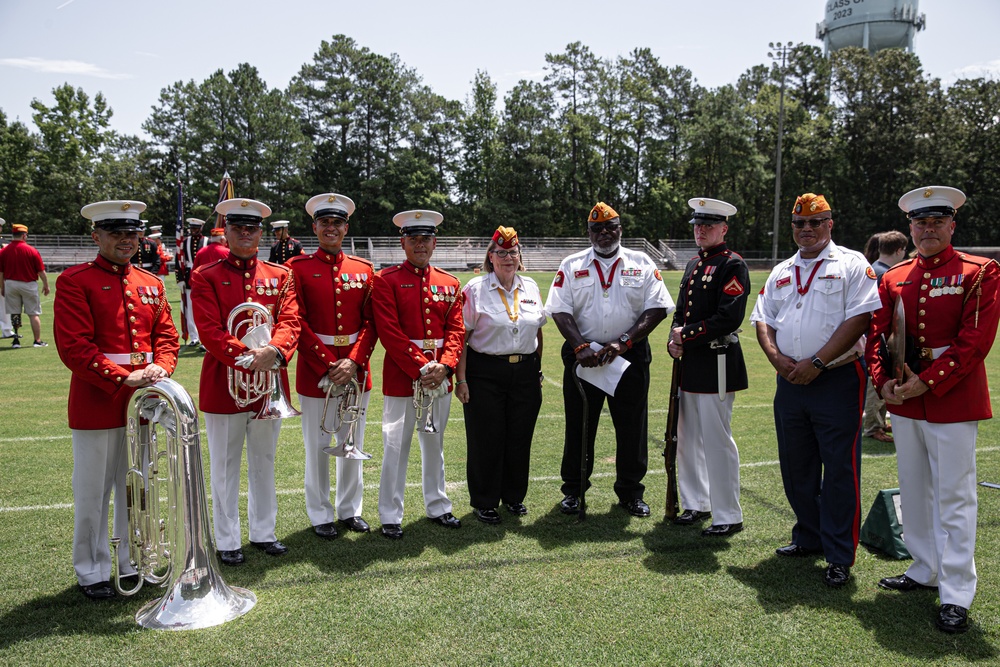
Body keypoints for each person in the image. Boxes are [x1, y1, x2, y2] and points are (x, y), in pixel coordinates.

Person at [866, 186, 1000, 634]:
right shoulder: (894, 276)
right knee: (914, 486)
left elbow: (974, 341)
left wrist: (927, 380)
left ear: (951, 225)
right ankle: (924, 568)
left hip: (951, 396)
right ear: (910, 228)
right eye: (920, 223)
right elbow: (878, 335)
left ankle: (957, 592)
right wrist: (883, 382)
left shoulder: (979, 271)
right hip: (905, 397)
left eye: (936, 222)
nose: (928, 229)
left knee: (956, 496)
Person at [750, 192, 880, 588]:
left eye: (814, 222)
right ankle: (808, 536)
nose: (806, 229)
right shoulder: (781, 270)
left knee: (840, 469)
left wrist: (818, 361)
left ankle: (839, 553)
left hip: (836, 378)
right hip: (789, 380)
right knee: (796, 466)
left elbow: (860, 318)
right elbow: (763, 319)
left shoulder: (852, 264)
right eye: (799, 223)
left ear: (830, 224)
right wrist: (776, 358)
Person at [53, 199, 180, 599]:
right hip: (98, 400)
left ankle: (133, 560)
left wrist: (160, 368)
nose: (127, 240)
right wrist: (125, 377)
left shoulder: (151, 282)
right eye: (116, 233)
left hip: (143, 401)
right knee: (93, 491)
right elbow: (75, 347)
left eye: (132, 233)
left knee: (137, 487)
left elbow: (168, 338)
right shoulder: (75, 281)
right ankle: (91, 570)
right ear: (97, 236)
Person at [190, 198, 301, 565]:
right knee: (224, 465)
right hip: (225, 384)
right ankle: (227, 540)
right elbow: (208, 330)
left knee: (264, 460)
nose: (245, 234)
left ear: (260, 232)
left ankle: (264, 533)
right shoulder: (205, 275)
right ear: (227, 230)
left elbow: (290, 322)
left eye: (251, 228)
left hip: (269, 384)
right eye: (238, 228)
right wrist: (251, 356)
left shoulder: (280, 275)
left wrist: (276, 351)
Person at [544, 201, 673, 518]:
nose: (604, 233)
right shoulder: (572, 264)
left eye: (609, 227)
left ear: (620, 229)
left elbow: (656, 307)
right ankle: (573, 491)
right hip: (583, 358)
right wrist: (579, 345)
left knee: (632, 427)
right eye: (596, 228)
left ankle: (630, 493)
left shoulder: (640, 262)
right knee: (579, 426)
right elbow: (559, 309)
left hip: (628, 356)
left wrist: (624, 341)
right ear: (588, 233)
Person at [289, 193, 378, 538]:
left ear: (345, 228)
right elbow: (297, 321)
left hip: (356, 372)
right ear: (315, 227)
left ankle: (350, 509)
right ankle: (320, 513)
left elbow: (371, 323)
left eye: (337, 222)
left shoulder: (363, 269)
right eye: (325, 222)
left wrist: (353, 362)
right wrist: (329, 364)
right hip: (317, 372)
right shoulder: (297, 269)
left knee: (352, 440)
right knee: (318, 445)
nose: (331, 228)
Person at [372, 209, 464, 539]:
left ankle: (438, 504)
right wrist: (422, 368)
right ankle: (390, 514)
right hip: (403, 377)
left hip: (440, 377)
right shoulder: (385, 280)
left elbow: (456, 330)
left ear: (435, 242)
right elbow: (390, 332)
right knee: (395, 446)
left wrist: (446, 365)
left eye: (426, 239)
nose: (420, 245)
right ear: (403, 242)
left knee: (434, 443)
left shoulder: (450, 283)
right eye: (414, 239)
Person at [667, 198, 750, 537]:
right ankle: (696, 503)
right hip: (692, 364)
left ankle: (728, 514)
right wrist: (674, 339)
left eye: (709, 225)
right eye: (698, 225)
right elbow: (680, 310)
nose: (701, 230)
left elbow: (729, 317)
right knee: (686, 439)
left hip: (717, 362)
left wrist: (685, 335)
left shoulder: (733, 265)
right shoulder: (693, 265)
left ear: (724, 228)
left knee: (717, 441)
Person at [455, 226, 546, 524]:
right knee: (487, 437)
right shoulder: (475, 289)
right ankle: (485, 500)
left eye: (513, 252)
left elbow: (538, 331)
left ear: (520, 256)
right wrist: (463, 380)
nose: (508, 258)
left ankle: (514, 497)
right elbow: (462, 338)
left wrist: (537, 369)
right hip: (486, 372)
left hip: (525, 372)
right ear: (490, 257)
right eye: (501, 253)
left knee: (520, 437)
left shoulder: (531, 286)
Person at [862, 230, 909, 443]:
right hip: (877, 336)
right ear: (899, 250)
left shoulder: (875, 268)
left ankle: (877, 421)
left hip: (873, 335)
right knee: (876, 384)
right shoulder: (883, 273)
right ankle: (872, 426)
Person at [0, 222, 50, 348]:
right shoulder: (31, 250)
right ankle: (37, 341)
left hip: (10, 283)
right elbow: (41, 271)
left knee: (15, 313)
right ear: (24, 235)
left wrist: (2, 287)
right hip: (28, 284)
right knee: (33, 314)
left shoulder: (4, 251)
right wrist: (46, 285)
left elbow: (1, 272)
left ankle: (16, 340)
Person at [177, 217, 208, 346]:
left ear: (200, 228)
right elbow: (179, 261)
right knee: (189, 308)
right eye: (192, 228)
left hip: (203, 276)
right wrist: (180, 279)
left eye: (196, 228)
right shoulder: (184, 242)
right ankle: (194, 336)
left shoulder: (207, 241)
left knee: (204, 308)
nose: (193, 231)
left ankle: (203, 337)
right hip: (189, 275)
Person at [0, 217, 13, 338]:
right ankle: (7, 330)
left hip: (2, 276)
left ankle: (7, 330)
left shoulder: (4, 243)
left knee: (4, 305)